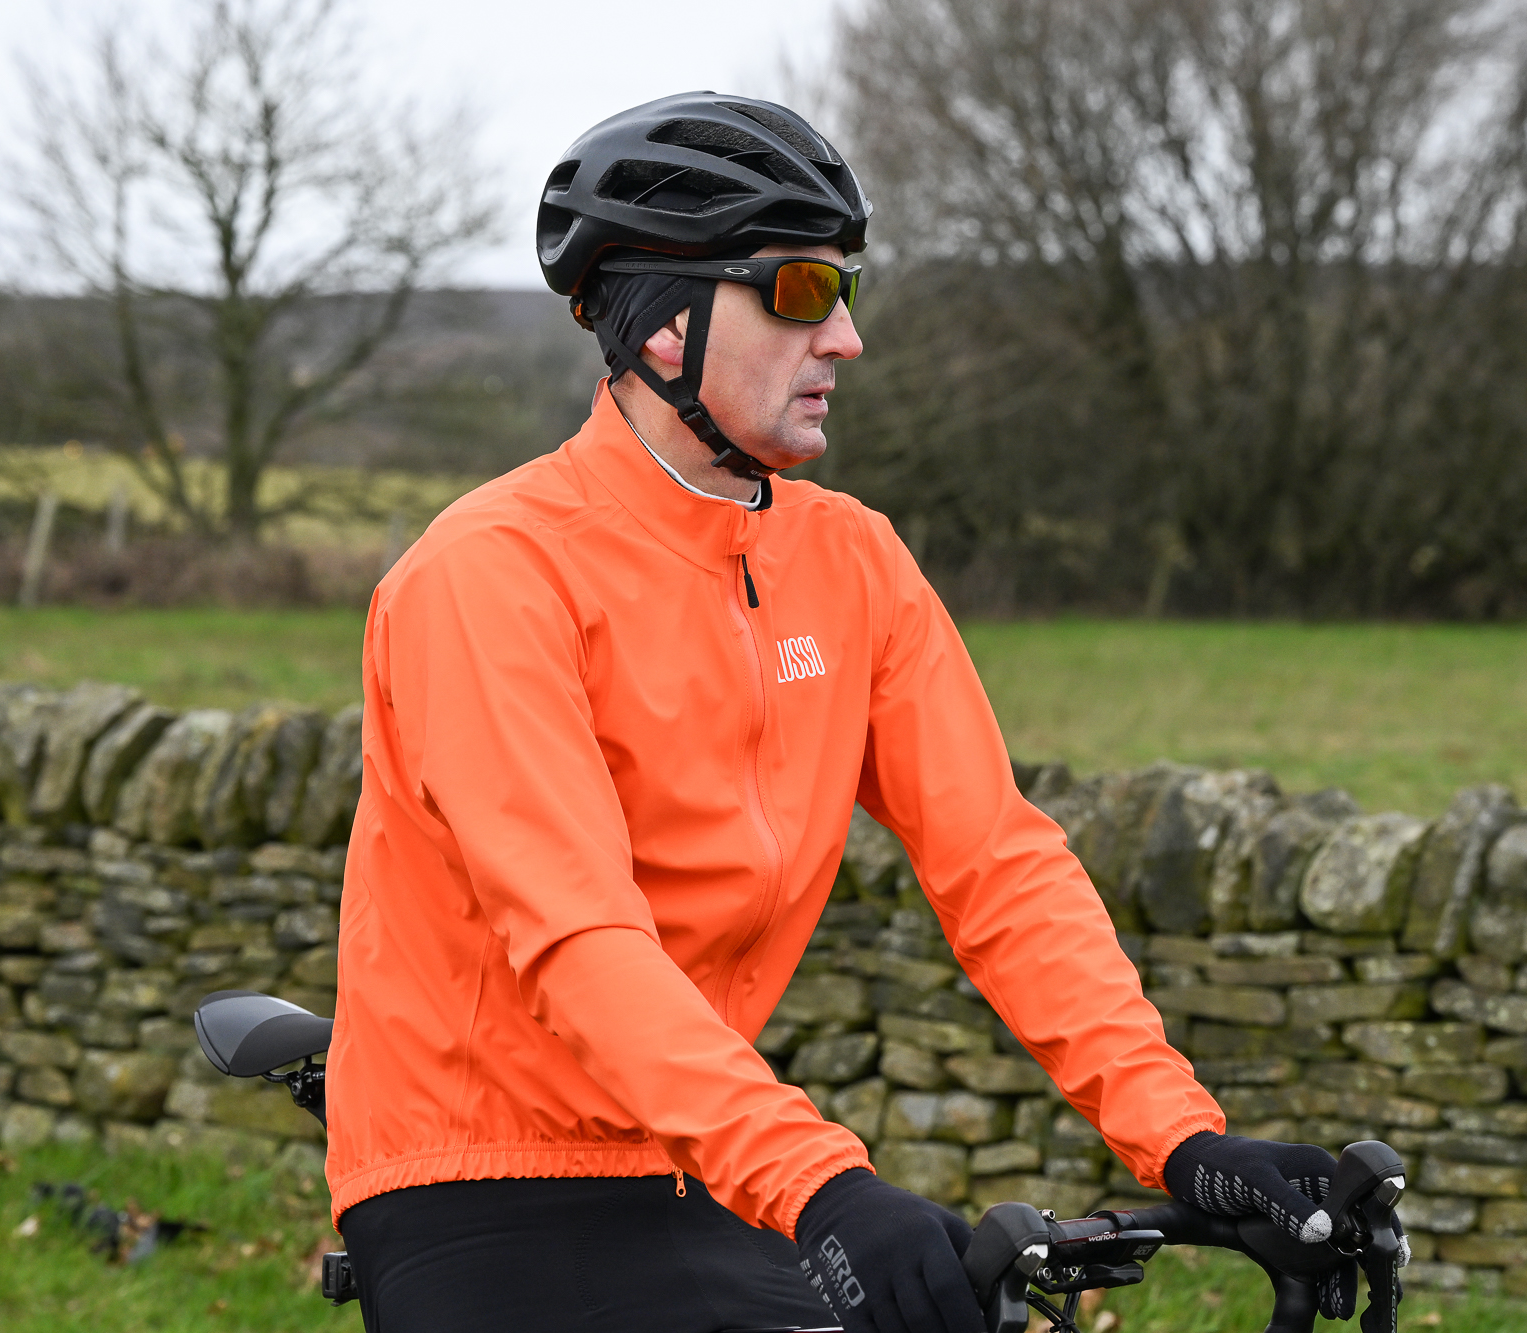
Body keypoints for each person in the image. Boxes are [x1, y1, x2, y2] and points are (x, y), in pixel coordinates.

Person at [326, 92, 1369, 1333]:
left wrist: (1180, 1134)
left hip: (696, 1154)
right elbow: (579, 937)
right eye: (805, 293)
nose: (849, 340)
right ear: (667, 327)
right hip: (478, 1171)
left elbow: (996, 864)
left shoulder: (852, 560)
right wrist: (819, 1178)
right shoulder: (489, 577)